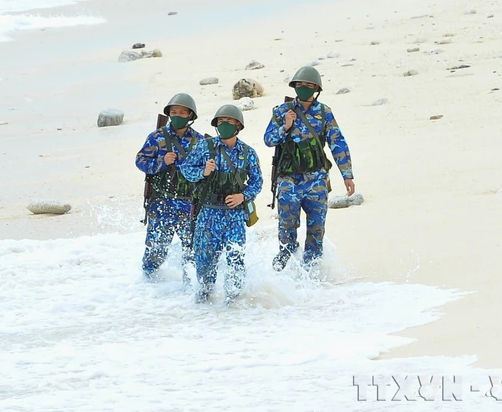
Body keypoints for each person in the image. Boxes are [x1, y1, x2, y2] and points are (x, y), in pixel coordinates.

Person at [264, 66, 355, 271]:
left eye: (308, 85)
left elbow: (337, 143)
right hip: (288, 180)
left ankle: (312, 275)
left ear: (316, 88)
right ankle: (286, 270)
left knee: (316, 230)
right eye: (300, 85)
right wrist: (285, 126)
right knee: (286, 227)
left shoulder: (324, 113)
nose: (303, 88)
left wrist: (347, 175)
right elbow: (268, 140)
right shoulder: (282, 111)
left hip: (316, 179)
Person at [180, 104, 263, 303]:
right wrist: (203, 172)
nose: (224, 125)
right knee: (205, 262)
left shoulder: (248, 153)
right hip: (208, 214)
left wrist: (243, 197)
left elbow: (257, 182)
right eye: (221, 122)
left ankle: (233, 305)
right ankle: (204, 308)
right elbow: (185, 169)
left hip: (234, 215)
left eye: (229, 122)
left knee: (236, 260)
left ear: (238, 126)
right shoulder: (205, 147)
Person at [135, 93, 202, 281]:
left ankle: (191, 292)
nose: (178, 116)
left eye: (182, 112)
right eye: (174, 112)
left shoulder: (200, 141)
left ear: (191, 116)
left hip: (188, 203)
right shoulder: (157, 137)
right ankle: (148, 289)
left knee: (191, 251)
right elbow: (140, 161)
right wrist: (161, 162)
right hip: (161, 202)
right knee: (155, 251)